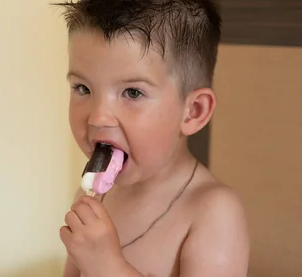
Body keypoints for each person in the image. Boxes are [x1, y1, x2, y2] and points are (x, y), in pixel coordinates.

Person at [54, 1, 250, 276]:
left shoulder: (213, 213)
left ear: (193, 112)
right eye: (83, 88)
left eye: (132, 93)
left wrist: (108, 267)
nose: (98, 117)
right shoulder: (93, 198)